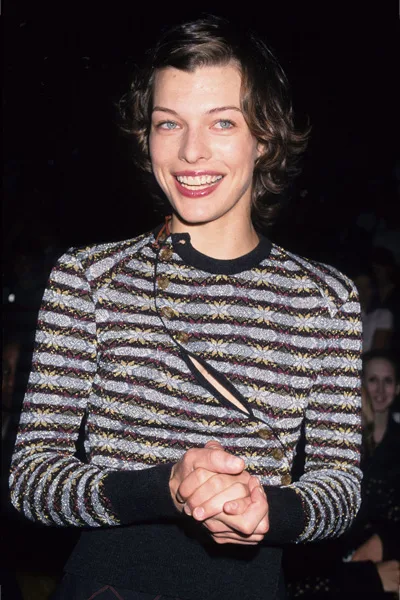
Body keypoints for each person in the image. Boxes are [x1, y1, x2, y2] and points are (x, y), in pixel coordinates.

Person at [9, 16, 363, 600]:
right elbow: (32, 481)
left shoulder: (327, 299)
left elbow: (341, 490)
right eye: (168, 123)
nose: (190, 152)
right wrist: (165, 488)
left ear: (265, 138)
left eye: (222, 122)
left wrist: (270, 510)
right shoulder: (90, 279)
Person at [284, 349, 400, 599]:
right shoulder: (309, 464)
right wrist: (369, 577)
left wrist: (385, 541)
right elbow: (297, 576)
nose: (379, 390)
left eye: (388, 381)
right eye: (372, 380)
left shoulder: (367, 455)